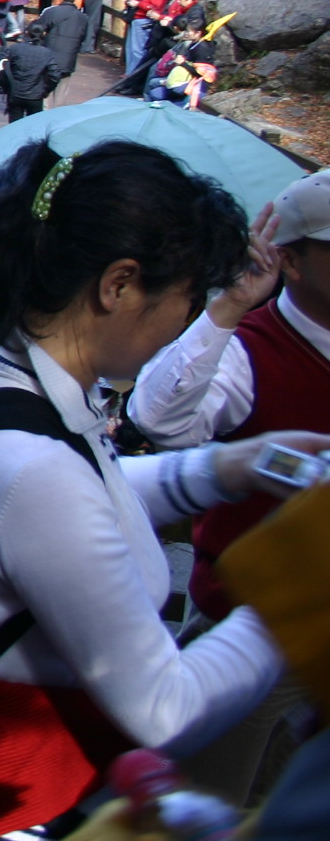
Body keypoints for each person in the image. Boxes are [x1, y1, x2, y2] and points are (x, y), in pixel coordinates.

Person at [0, 140, 330, 840]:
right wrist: (297, 588)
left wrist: (224, 469)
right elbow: (164, 706)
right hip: (7, 807)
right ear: (119, 285)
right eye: (185, 299)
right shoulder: (31, 472)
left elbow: (89, 493)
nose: (182, 322)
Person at [130, 171, 330, 619]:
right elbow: (158, 420)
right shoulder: (246, 349)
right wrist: (229, 304)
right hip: (254, 615)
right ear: (289, 261)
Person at [0, 24, 63, 120]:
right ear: (43, 35)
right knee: (33, 126)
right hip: (35, 96)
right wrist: (46, 90)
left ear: (27, 33)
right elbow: (55, 75)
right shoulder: (47, 53)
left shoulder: (15, 48)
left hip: (15, 92)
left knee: (14, 126)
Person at [36, 0, 87, 106]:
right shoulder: (82, 18)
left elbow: (37, 30)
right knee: (61, 92)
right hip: (68, 58)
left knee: (45, 90)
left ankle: (43, 116)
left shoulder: (51, 12)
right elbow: (83, 37)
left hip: (49, 56)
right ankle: (57, 118)